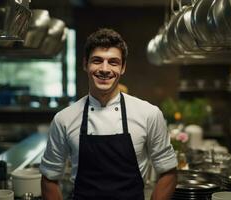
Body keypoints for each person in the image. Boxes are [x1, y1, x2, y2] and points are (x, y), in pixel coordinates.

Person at [40, 28, 177, 200]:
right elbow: (49, 178)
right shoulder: (64, 119)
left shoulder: (149, 114)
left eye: (113, 62)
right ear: (85, 64)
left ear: (123, 67)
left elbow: (169, 171)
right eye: (97, 61)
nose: (105, 69)